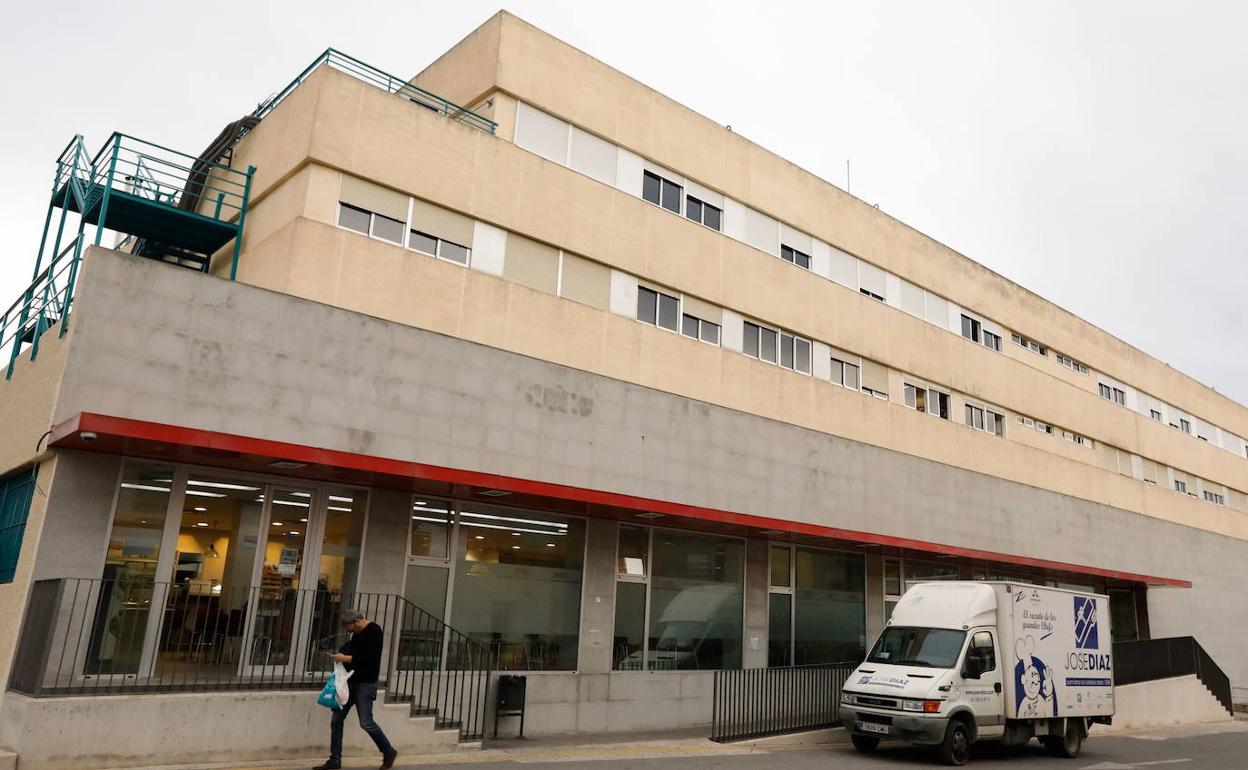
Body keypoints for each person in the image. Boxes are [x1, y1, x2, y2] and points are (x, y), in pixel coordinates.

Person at [313, 609, 398, 770]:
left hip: (366, 684)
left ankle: (388, 751)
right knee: (337, 719)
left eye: (349, 627)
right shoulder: (357, 634)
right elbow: (352, 650)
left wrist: (343, 658)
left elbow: (368, 658)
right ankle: (335, 760)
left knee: (366, 722)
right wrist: (340, 654)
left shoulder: (374, 631)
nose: (349, 631)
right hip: (351, 682)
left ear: (357, 621)